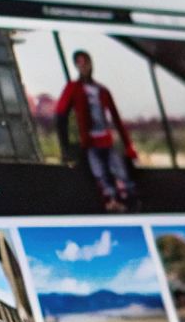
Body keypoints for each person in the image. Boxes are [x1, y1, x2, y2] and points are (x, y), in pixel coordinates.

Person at [53, 51, 140, 212]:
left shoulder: (102, 90)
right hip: (90, 143)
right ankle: (111, 203)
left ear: (91, 64)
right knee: (101, 175)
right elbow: (60, 114)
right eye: (79, 63)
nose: (83, 66)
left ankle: (129, 204)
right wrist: (65, 146)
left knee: (121, 173)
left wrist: (129, 147)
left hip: (106, 140)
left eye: (85, 62)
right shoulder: (73, 88)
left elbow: (116, 120)